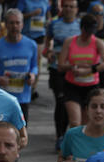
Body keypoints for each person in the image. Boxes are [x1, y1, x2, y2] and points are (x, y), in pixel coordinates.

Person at [58, 13, 104, 129]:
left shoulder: (98, 42)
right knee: (75, 122)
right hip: (72, 86)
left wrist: (90, 70)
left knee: (85, 124)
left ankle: (83, 145)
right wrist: (73, 66)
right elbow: (60, 65)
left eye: (92, 31)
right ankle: (73, 145)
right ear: (81, 28)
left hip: (91, 87)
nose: (89, 35)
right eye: (87, 31)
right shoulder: (70, 42)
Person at [0, 9, 38, 122]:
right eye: (11, 23)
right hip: (2, 97)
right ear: (6, 25)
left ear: (22, 24)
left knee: (21, 134)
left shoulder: (31, 45)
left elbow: (34, 66)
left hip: (23, 98)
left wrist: (32, 75)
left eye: (17, 23)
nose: (14, 26)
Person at [45, 0, 79, 147]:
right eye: (65, 6)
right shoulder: (54, 24)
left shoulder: (79, 26)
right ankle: (60, 135)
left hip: (74, 70)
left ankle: (70, 135)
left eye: (71, 7)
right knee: (60, 101)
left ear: (76, 9)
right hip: (56, 68)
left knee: (70, 102)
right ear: (61, 8)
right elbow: (47, 44)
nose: (68, 9)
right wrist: (48, 52)